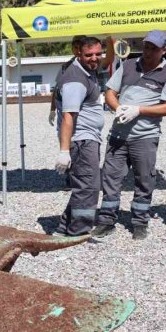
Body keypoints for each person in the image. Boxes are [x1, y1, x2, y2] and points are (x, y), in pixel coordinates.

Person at [92, 30, 166, 241]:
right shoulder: (129, 65)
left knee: (144, 180)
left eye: (154, 48)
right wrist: (119, 108)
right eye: (147, 46)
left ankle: (140, 221)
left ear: (164, 50)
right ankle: (106, 221)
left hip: (145, 137)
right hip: (118, 136)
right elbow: (110, 92)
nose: (148, 51)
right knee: (111, 179)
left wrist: (139, 110)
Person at [53, 37, 106, 237]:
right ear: (78, 54)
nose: (94, 58)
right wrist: (64, 151)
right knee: (88, 186)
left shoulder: (86, 70)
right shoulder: (76, 79)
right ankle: (78, 232)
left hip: (87, 137)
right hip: (82, 140)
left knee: (83, 186)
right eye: (88, 55)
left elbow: (107, 61)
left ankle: (63, 228)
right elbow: (69, 116)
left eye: (97, 54)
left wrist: (113, 39)